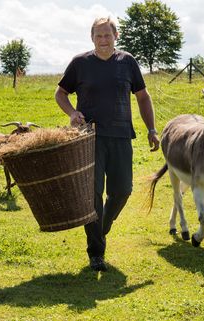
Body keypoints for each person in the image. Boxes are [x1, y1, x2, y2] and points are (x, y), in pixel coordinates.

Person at [55, 17, 160, 272]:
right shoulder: (80, 63)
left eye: (107, 35)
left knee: (122, 190)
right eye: (99, 35)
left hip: (122, 136)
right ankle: (96, 253)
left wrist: (152, 129)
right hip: (89, 137)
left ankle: (102, 229)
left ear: (116, 36)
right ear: (92, 38)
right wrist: (71, 113)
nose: (103, 40)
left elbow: (143, 97)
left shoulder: (127, 62)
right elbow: (61, 93)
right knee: (92, 195)